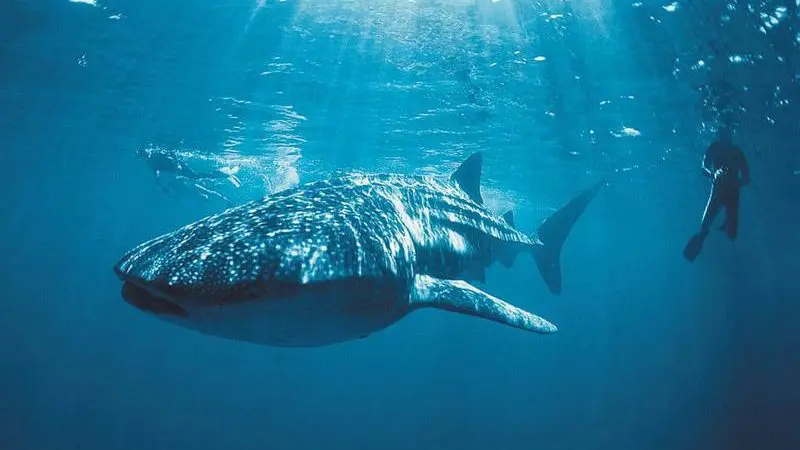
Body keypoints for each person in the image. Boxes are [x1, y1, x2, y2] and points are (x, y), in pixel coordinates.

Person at [683, 127, 750, 261]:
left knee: (730, 232)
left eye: (726, 134)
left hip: (730, 191)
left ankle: (733, 256)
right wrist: (713, 175)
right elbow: (704, 167)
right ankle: (694, 251)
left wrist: (735, 182)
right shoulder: (715, 148)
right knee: (705, 227)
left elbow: (746, 178)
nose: (724, 137)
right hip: (719, 189)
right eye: (722, 134)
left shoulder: (736, 152)